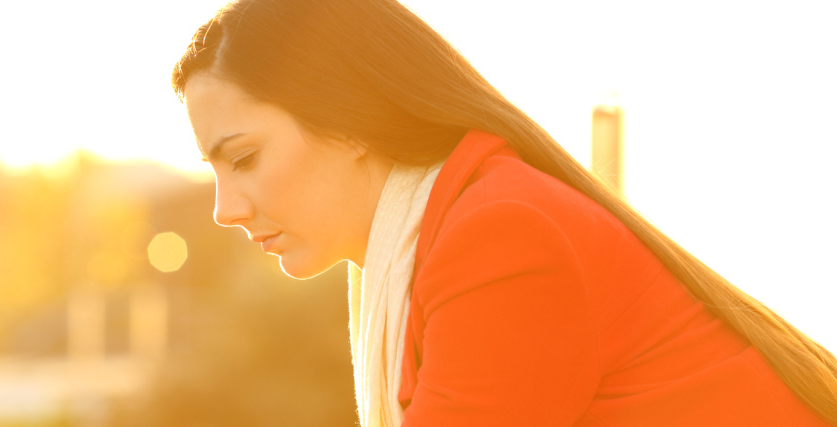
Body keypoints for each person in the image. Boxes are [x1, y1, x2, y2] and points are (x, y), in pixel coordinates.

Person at [171, 0, 837, 425]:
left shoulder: (498, 236)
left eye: (245, 156)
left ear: (348, 123)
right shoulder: (443, 240)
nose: (226, 209)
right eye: (215, 170)